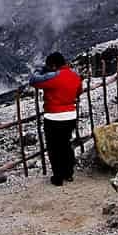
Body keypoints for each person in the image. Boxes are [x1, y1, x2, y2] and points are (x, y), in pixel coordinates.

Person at [29, 51, 82, 186]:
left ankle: (58, 177)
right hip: (70, 115)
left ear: (53, 65)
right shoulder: (75, 76)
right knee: (66, 144)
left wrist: (40, 69)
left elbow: (34, 81)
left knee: (54, 148)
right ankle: (68, 173)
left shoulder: (54, 76)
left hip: (53, 116)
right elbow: (79, 91)